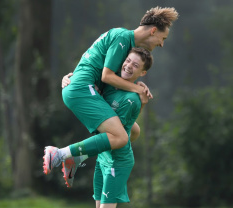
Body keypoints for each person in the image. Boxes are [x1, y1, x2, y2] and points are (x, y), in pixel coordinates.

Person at [43, 6, 178, 185]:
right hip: (81, 89)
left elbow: (96, 67)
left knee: (133, 131)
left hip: (81, 86)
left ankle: (75, 158)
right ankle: (59, 154)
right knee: (121, 137)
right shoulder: (122, 38)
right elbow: (107, 76)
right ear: (153, 31)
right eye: (163, 38)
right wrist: (137, 89)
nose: (162, 44)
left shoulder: (126, 44)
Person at [93, 47, 153, 208]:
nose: (128, 66)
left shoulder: (132, 99)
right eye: (127, 61)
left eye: (135, 65)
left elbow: (114, 131)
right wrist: (68, 78)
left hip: (118, 161)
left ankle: (65, 154)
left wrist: (79, 153)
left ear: (142, 73)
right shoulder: (108, 82)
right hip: (103, 156)